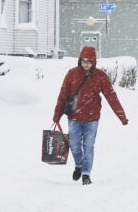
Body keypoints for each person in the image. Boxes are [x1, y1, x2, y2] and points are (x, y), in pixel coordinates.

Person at [53, 46, 128, 185]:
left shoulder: (100, 76)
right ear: (80, 60)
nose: (86, 64)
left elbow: (112, 97)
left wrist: (121, 116)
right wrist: (57, 115)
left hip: (92, 118)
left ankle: (86, 174)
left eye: (89, 61)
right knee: (74, 145)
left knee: (89, 146)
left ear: (94, 62)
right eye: (83, 61)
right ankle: (79, 165)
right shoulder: (72, 74)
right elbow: (63, 95)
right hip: (74, 117)